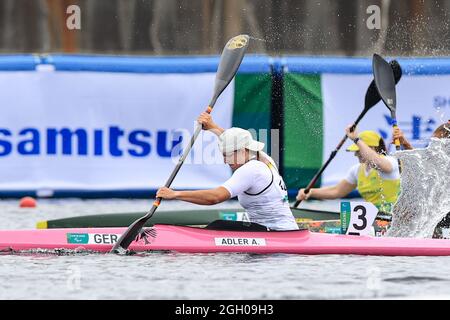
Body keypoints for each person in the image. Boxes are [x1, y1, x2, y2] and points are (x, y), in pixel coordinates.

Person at [156, 112, 298, 231]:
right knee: (221, 226)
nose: (225, 161)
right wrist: (213, 127)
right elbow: (235, 141)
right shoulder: (265, 159)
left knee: (218, 226)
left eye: (227, 155)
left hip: (275, 236)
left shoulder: (251, 170)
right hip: (279, 231)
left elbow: (215, 197)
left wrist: (175, 194)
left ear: (242, 151)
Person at [296, 126, 401, 213]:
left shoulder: (390, 161)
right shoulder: (356, 170)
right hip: (374, 218)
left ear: (372, 149)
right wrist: (311, 192)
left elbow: (379, 163)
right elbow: (337, 191)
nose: (355, 154)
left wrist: (356, 139)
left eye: (358, 150)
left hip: (394, 218)